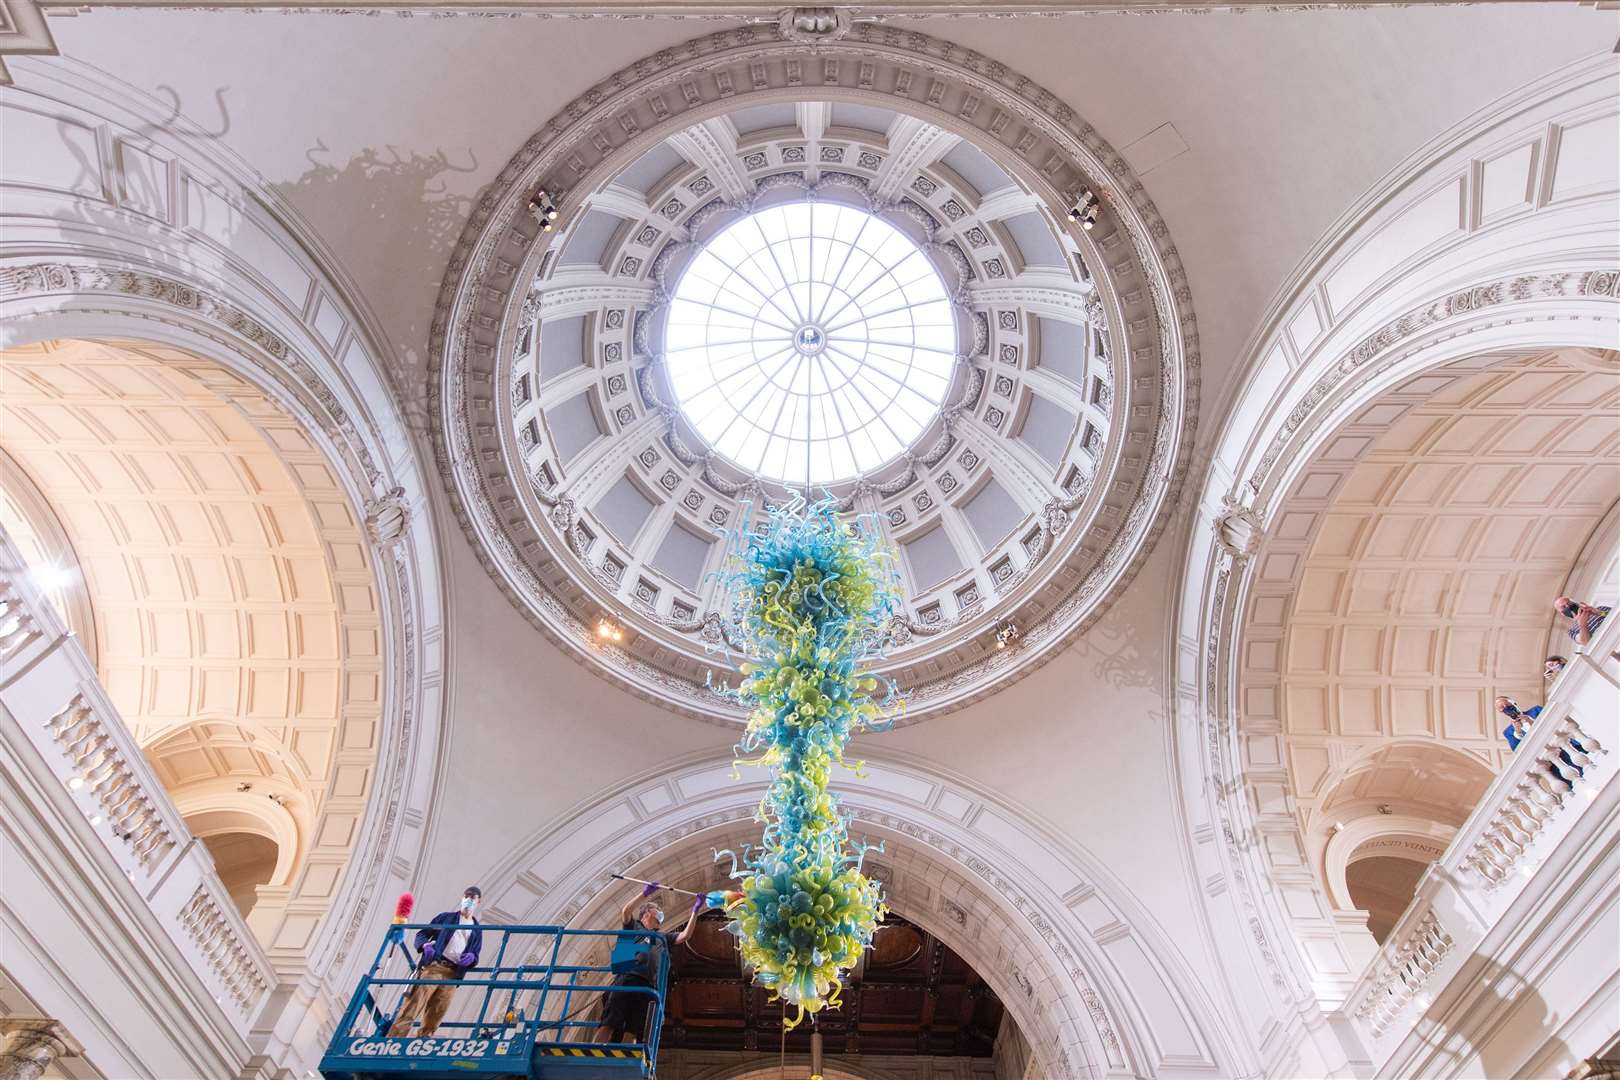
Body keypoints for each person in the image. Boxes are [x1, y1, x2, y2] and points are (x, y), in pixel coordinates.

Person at [595, 883, 698, 1044]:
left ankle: (625, 1058)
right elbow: (626, 911)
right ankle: (593, 1052)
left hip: (647, 984)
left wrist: (695, 910)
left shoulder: (663, 937)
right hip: (627, 978)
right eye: (657, 912)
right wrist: (645, 893)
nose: (660, 916)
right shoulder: (634, 926)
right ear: (647, 913)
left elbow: (685, 936)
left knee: (633, 1027)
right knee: (610, 1021)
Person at [388, 885, 484, 1038]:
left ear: (478, 902)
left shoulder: (477, 930)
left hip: (453, 974)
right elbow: (422, 934)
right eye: (466, 897)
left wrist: (472, 958)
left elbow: (475, 952)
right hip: (436, 967)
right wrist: (425, 945)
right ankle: (394, 1040)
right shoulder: (446, 918)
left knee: (438, 1011)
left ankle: (422, 1043)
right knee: (415, 1003)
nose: (468, 900)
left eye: (472, 898)